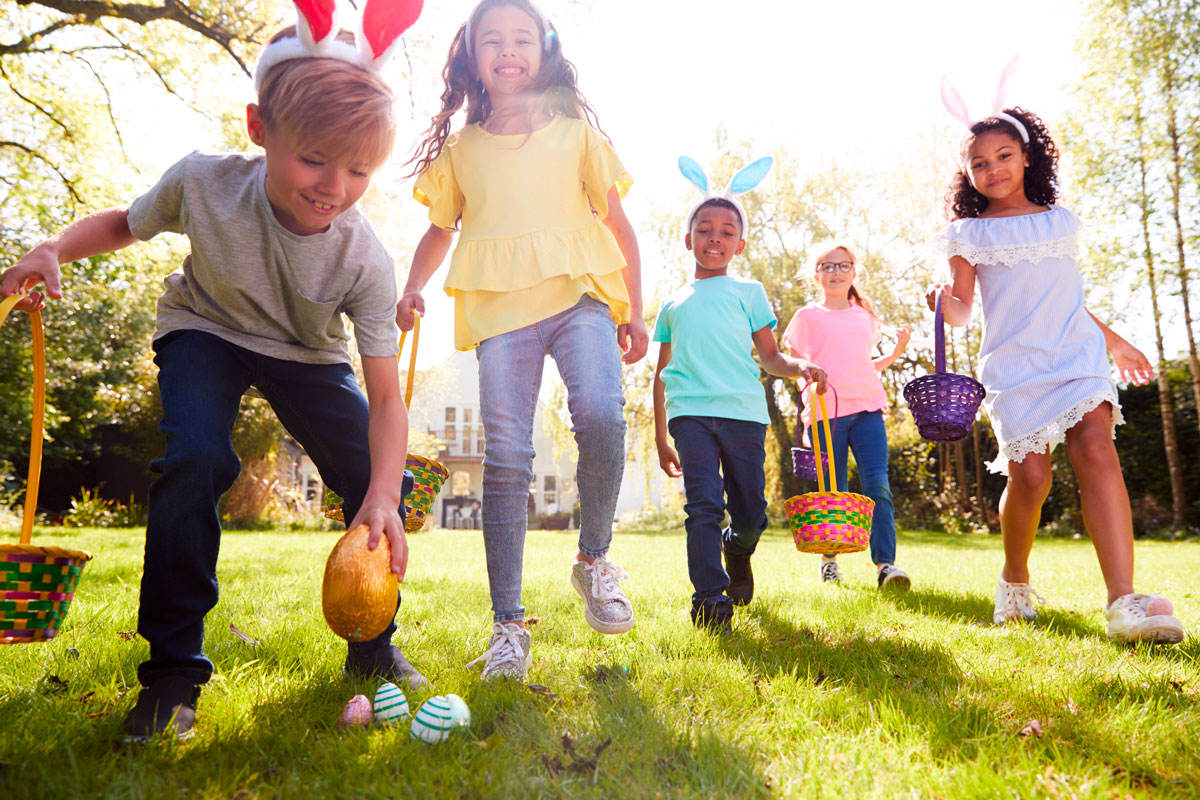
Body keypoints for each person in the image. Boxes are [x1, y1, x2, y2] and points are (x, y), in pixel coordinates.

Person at [0, 7, 427, 739]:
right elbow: (124, 223)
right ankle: (171, 678)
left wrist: (383, 495)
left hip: (308, 353)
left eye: (359, 169)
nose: (334, 186)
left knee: (377, 482)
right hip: (206, 328)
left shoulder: (365, 259)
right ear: (261, 128)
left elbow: (385, 397)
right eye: (315, 159)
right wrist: (52, 250)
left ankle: (373, 646)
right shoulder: (203, 182)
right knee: (195, 457)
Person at [399, 0, 647, 680]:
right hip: (500, 308)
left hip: (582, 296)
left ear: (543, 49)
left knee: (600, 413)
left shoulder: (576, 135)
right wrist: (413, 285)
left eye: (521, 39)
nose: (508, 51)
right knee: (506, 455)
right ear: (471, 56)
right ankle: (508, 627)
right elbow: (440, 230)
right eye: (492, 41)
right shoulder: (461, 152)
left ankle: (594, 561)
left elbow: (620, 227)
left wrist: (638, 308)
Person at [930, 103, 1184, 643]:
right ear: (968, 174)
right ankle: (1015, 578)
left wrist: (1114, 342)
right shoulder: (968, 234)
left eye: (1003, 155)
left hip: (1076, 355)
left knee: (1095, 444)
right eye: (979, 163)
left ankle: (1123, 601)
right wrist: (941, 300)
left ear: (1027, 157)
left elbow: (1068, 298)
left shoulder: (1060, 221)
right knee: (1032, 478)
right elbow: (959, 313)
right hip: (1014, 366)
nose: (993, 168)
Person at [653, 156, 827, 634]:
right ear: (688, 239)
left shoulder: (749, 292)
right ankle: (710, 601)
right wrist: (660, 435)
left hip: (744, 416)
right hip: (690, 415)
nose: (715, 237)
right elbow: (663, 371)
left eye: (727, 231)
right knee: (703, 504)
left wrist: (801, 367)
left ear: (740, 243)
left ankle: (739, 549)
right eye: (705, 229)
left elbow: (771, 358)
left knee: (752, 511)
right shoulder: (673, 302)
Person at [782, 243, 913, 591]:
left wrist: (897, 351)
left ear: (854, 272)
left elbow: (863, 364)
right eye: (828, 266)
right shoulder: (807, 317)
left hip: (868, 409)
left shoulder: (864, 316)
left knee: (878, 487)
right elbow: (795, 366)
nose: (836, 271)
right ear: (816, 274)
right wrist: (808, 390)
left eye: (843, 265)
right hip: (828, 415)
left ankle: (886, 565)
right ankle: (829, 562)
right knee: (832, 489)